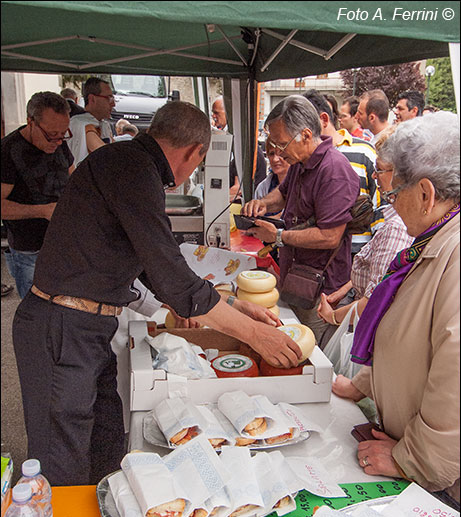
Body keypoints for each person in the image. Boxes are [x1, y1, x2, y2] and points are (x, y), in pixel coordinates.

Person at [12, 100, 301, 487]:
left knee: (106, 440)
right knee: (62, 458)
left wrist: (233, 305)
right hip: (61, 326)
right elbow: (170, 274)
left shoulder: (131, 164)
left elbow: (151, 267)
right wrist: (255, 335)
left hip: (85, 326)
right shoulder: (131, 168)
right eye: (198, 164)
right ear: (195, 151)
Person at [332, 112, 459, 507]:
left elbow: (455, 378)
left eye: (394, 191)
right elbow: (409, 341)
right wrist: (365, 385)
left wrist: (411, 460)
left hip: (442, 486)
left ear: (426, 194)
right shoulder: (431, 241)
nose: (390, 202)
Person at [242, 95, 360, 344]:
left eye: (282, 144)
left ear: (306, 135)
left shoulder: (334, 171)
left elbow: (330, 236)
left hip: (321, 293)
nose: (279, 153)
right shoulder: (300, 162)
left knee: (310, 354)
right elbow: (283, 194)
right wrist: (263, 203)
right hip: (297, 280)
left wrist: (277, 237)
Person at [317, 125, 413, 345]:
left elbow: (373, 302)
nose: (373, 175)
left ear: (399, 174)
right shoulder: (394, 217)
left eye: (379, 169)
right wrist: (345, 289)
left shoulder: (396, 228)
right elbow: (380, 275)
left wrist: (332, 317)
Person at [1, 91, 74, 298]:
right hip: (30, 250)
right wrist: (42, 211)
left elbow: (74, 178)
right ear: (30, 122)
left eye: (63, 134)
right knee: (36, 315)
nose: (58, 141)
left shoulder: (60, 142)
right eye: (52, 134)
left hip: (63, 244)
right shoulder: (8, 152)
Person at [304, 89, 383, 257]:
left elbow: (380, 204)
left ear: (323, 119)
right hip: (317, 252)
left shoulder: (364, 151)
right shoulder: (304, 159)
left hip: (358, 250)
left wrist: (375, 252)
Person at [211, 96, 267, 201]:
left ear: (228, 113)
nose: (213, 116)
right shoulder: (238, 145)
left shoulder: (242, 148)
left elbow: (238, 189)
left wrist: (213, 198)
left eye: (217, 113)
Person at [67, 76, 114, 166]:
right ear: (92, 99)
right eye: (109, 98)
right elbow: (106, 154)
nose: (113, 104)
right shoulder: (80, 123)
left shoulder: (104, 124)